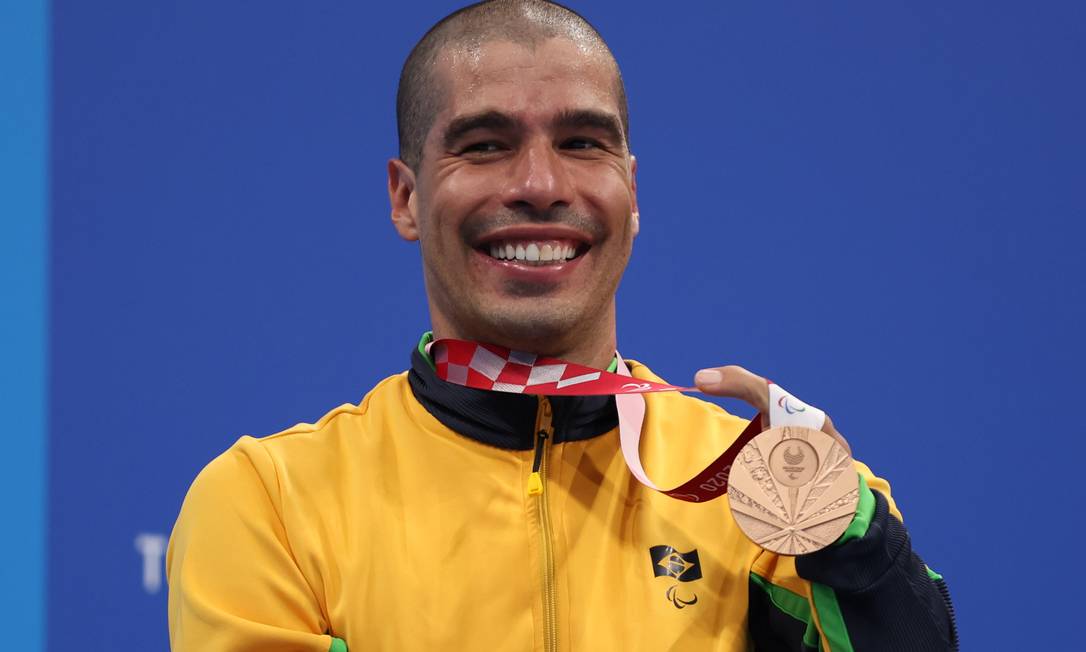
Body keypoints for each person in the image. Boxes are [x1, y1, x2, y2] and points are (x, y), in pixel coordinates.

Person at [166, 2, 958, 650]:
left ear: (633, 191)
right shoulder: (270, 502)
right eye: (484, 145)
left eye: (582, 143)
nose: (541, 184)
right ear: (406, 198)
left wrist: (849, 541)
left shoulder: (766, 486)